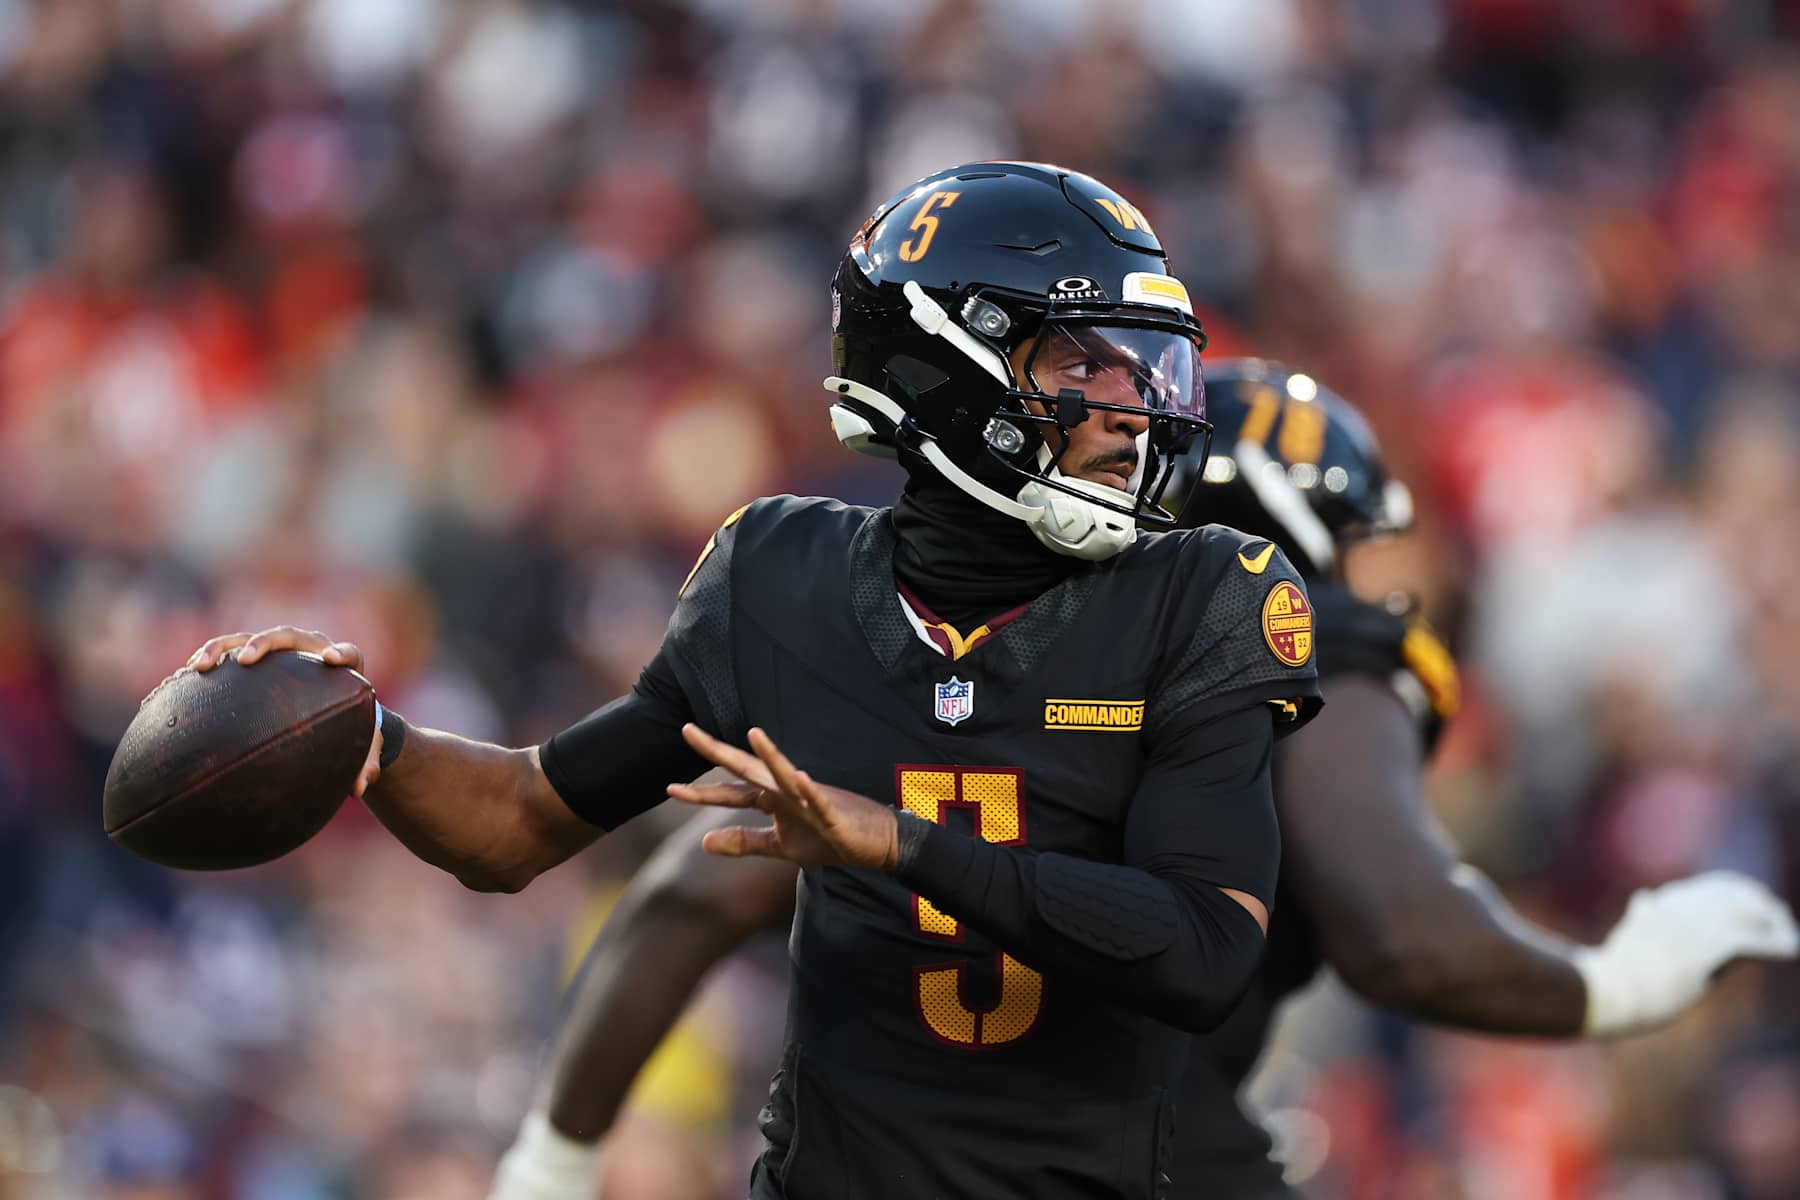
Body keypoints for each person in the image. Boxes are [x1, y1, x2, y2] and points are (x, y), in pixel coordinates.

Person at [190, 163, 1326, 1199]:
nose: (1133, 409)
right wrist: (356, 736)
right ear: (944, 366)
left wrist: (899, 843)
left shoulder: (1207, 592)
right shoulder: (783, 573)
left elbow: (1203, 950)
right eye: (1086, 363)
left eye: (1144, 365)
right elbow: (522, 821)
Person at [487, 360, 1800, 1200]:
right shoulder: (1270, 642)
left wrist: (550, 1163)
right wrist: (1624, 981)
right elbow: (1407, 938)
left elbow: (680, 904)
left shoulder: (940, 647)